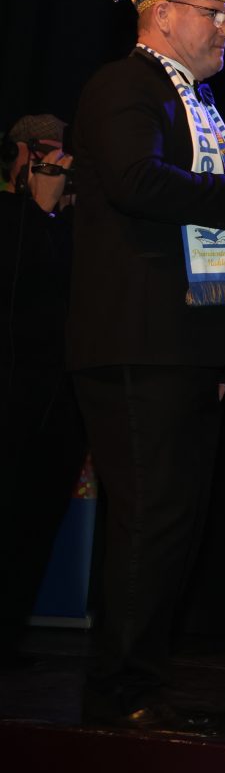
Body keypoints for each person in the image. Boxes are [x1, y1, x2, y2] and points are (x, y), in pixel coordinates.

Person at [69, 0, 225, 731]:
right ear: (162, 14)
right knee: (150, 519)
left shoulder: (194, 101)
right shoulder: (126, 86)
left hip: (184, 348)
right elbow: (134, 183)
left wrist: (224, 354)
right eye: (215, 10)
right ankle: (120, 693)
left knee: (173, 523)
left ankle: (141, 682)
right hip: (138, 343)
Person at [1, 115, 86, 667]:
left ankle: (8, 635)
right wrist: (37, 209)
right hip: (12, 394)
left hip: (57, 399)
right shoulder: (13, 216)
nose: (52, 166)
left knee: (35, 523)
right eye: (40, 155)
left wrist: (57, 212)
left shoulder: (70, 224)